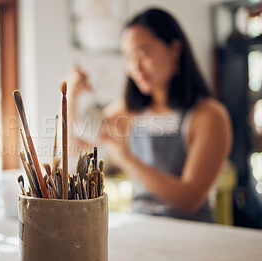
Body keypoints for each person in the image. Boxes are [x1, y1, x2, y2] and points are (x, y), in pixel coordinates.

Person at [67, 8, 233, 222]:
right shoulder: (128, 110)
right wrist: (71, 98)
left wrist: (126, 159)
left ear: (174, 49)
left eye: (143, 54)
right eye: (128, 57)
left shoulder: (209, 115)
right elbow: (74, 147)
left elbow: (190, 198)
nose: (135, 67)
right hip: (141, 227)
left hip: (192, 233)